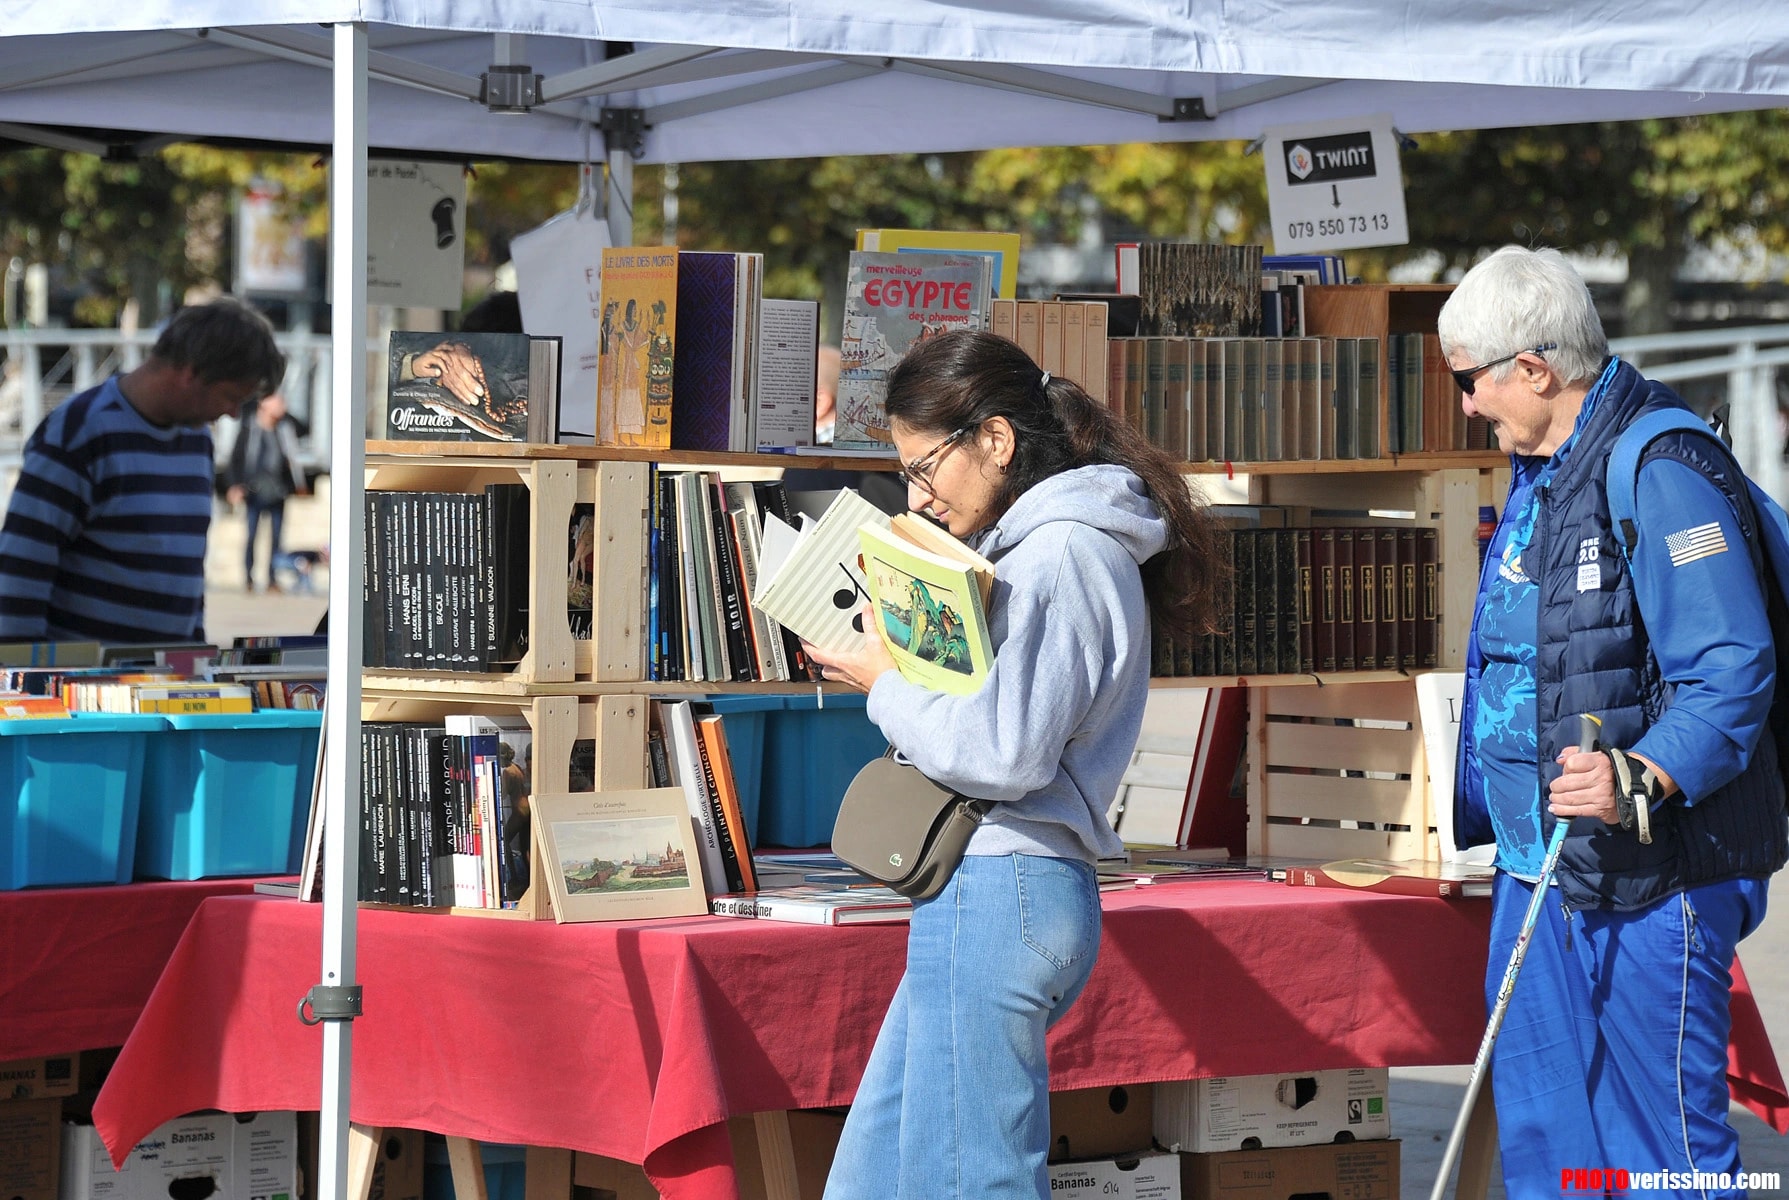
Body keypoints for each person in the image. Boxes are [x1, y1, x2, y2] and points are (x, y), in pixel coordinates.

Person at [803, 328, 1223, 1200]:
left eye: (923, 469)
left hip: (1003, 884)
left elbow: (1004, 752)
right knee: (875, 1180)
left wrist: (883, 685)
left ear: (994, 440)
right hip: (991, 885)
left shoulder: (1062, 553)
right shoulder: (1044, 547)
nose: (916, 496)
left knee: (968, 1180)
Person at [1441, 246, 1787, 1196]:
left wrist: (1640, 772)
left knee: (1656, 1156)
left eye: (1469, 381)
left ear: (1535, 369)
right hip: (1540, 865)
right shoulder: (1540, 463)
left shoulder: (1659, 465)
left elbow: (1730, 666)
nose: (1465, 404)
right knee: (1555, 1146)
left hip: (1648, 874)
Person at [0, 297, 285, 642]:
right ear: (190, 372)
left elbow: (186, 577)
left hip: (169, 684)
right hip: (84, 689)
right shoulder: (77, 434)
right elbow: (19, 575)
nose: (234, 414)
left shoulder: (198, 441)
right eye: (230, 396)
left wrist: (193, 658)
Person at [226, 390, 308, 592]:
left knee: (277, 538)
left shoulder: (285, 429)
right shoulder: (249, 429)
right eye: (276, 402)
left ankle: (272, 578)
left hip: (278, 491)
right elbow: (235, 460)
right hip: (253, 491)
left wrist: (283, 413)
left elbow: (305, 427)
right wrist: (235, 485)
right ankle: (249, 578)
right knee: (252, 535)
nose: (281, 405)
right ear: (263, 404)